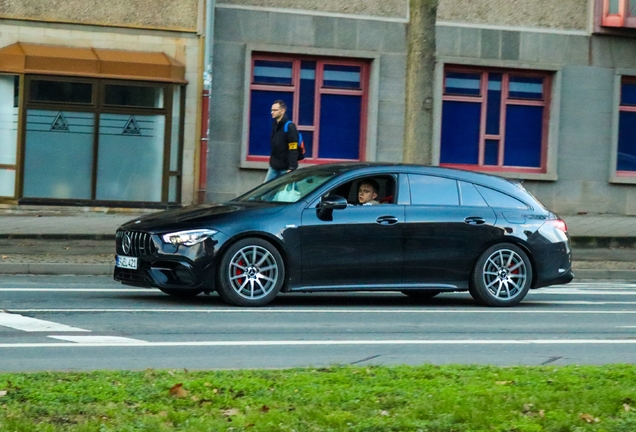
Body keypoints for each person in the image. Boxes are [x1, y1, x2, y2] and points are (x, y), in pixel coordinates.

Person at [264, 100, 298, 182]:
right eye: (271, 110)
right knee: (266, 191)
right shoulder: (275, 125)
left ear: (282, 111)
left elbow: (293, 148)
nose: (272, 112)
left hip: (285, 168)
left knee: (288, 192)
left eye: (275, 110)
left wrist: (292, 167)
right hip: (274, 166)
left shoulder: (290, 126)